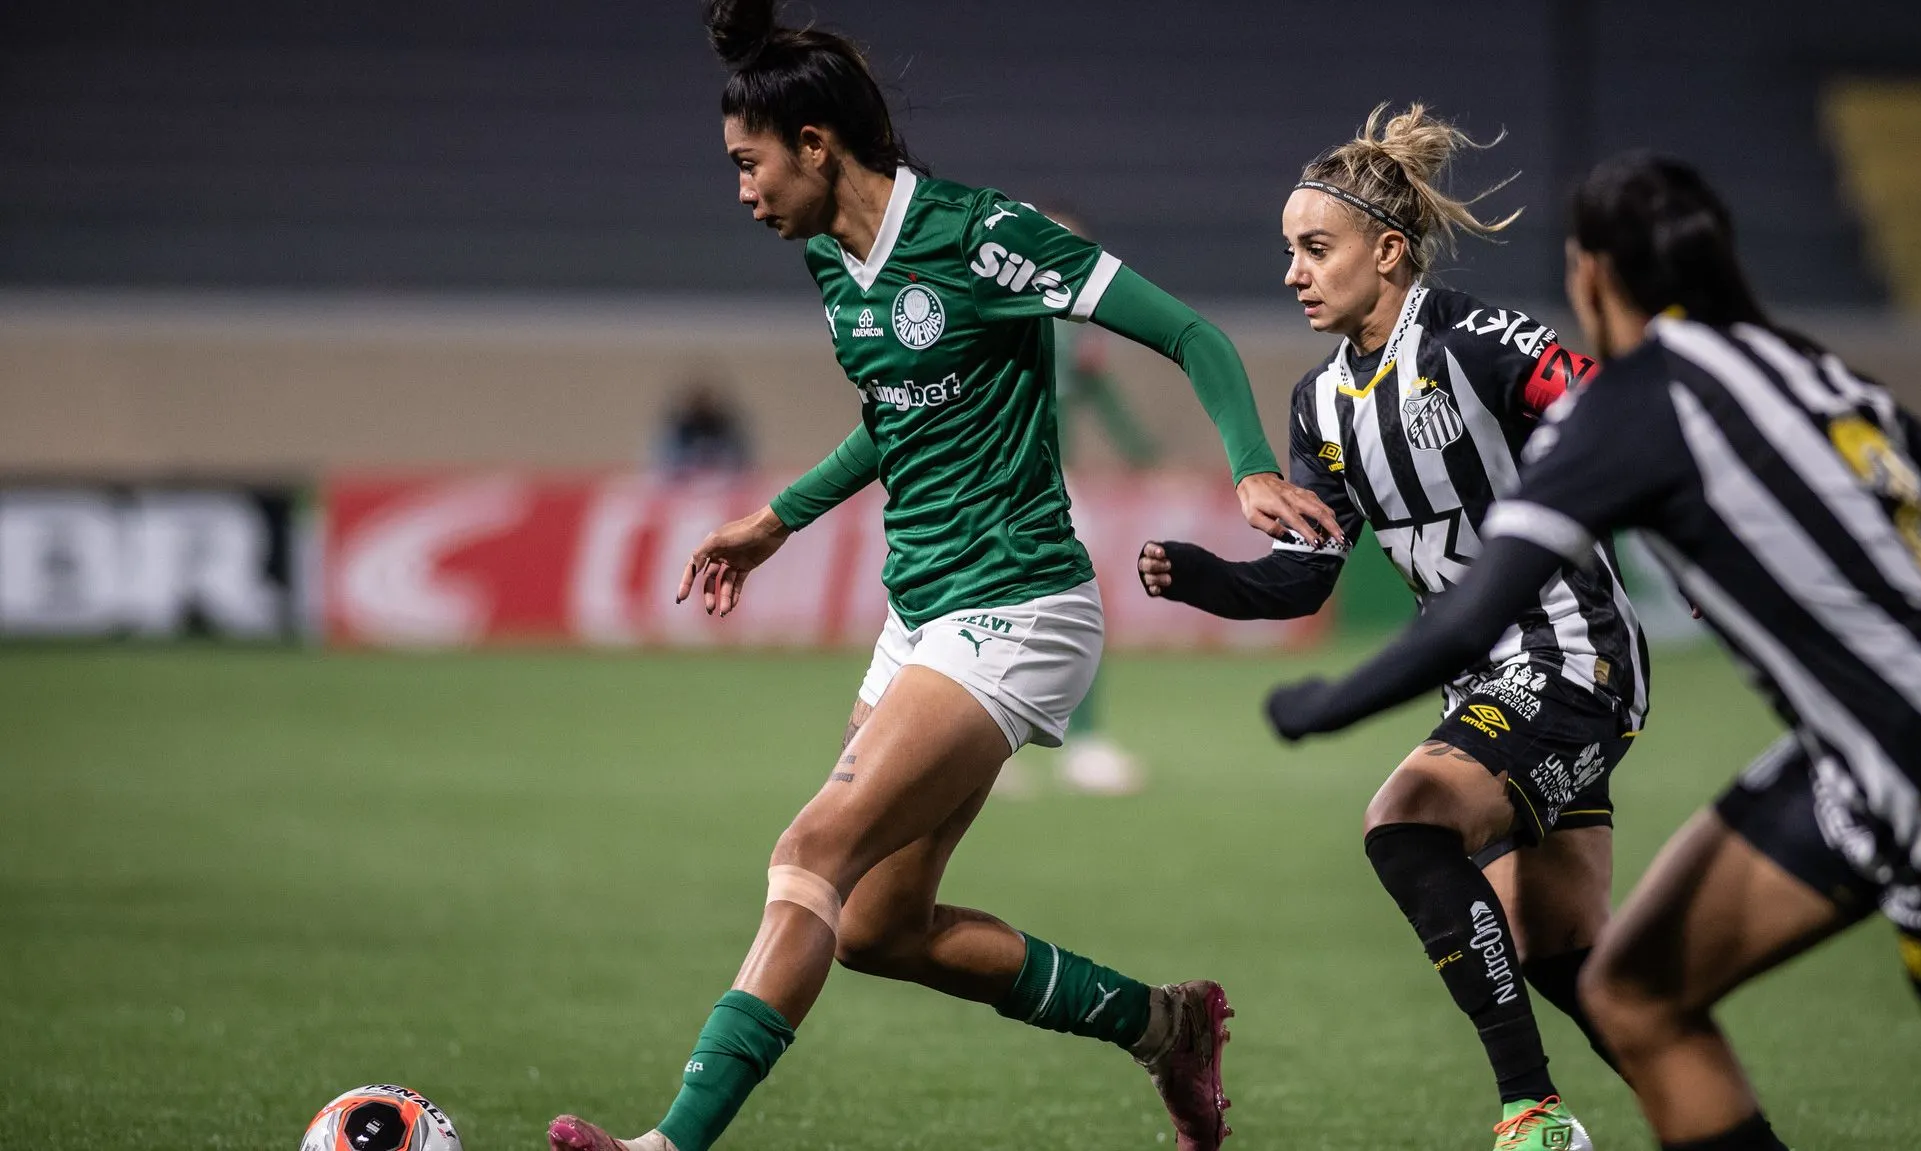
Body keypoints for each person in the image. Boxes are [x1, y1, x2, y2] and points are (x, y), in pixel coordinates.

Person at [545, 3, 1343, 1151]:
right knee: (875, 923)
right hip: (920, 611)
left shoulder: (982, 236)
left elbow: (1194, 335)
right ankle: (1168, 1024)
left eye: (747, 163)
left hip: (1016, 604)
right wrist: (774, 520)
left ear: (814, 143)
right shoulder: (830, 257)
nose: (741, 191)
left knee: (808, 851)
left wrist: (1251, 468)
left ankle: (666, 1144)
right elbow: (897, 415)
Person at [1262, 152, 1921, 1150]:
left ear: (1592, 276)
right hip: (1910, 752)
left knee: (1647, 993)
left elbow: (1470, 618)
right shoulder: (1801, 364)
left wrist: (1324, 706)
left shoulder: (1633, 411)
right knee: (1628, 989)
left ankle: (1534, 1110)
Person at [1138, 104, 1647, 1151]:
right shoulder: (1318, 405)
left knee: (1406, 819)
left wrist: (1688, 528)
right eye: (1288, 251)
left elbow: (1614, 415)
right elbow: (1302, 580)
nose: (1294, 272)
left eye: (1315, 248)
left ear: (1388, 251)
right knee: (1556, 950)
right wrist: (1203, 579)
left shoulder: (1479, 339)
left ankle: (1532, 1117)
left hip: (1569, 652)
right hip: (1488, 686)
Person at [1049, 206, 1158, 797]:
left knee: (1072, 602)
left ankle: (1077, 744)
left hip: (1054, 483)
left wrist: (1144, 455)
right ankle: (1076, 745)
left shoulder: (1075, 330)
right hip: (995, 482)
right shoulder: (1001, 314)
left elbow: (1105, 401)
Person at [653, 379, 753, 477]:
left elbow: (738, 458)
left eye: (706, 401)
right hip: (686, 481)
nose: (702, 405)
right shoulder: (682, 430)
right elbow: (667, 459)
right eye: (699, 401)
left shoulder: (723, 426)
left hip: (722, 479)